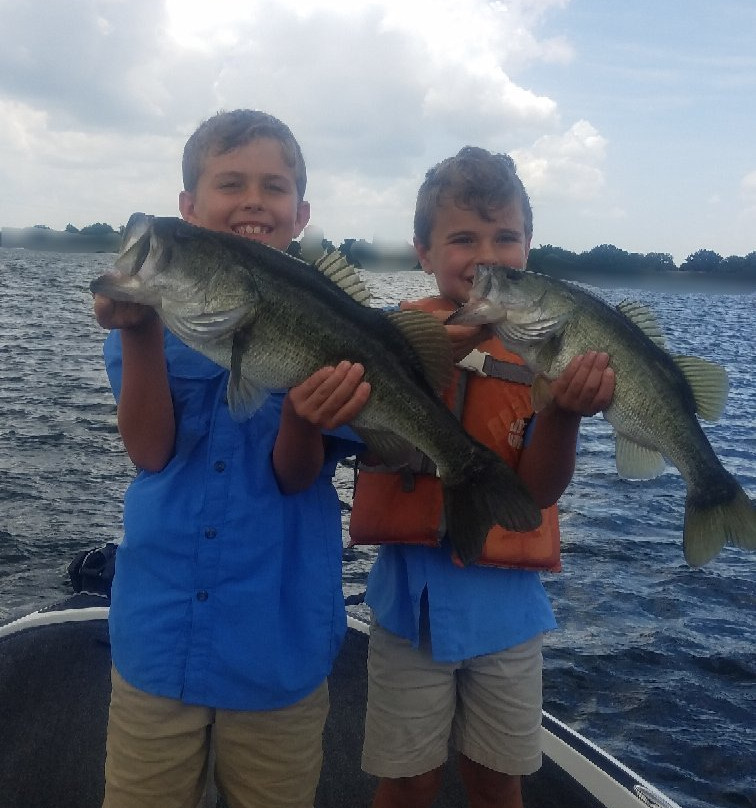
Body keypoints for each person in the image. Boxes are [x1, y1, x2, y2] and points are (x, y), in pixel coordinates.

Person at [93, 109, 370, 808]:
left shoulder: (329, 323)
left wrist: (306, 417)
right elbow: (151, 453)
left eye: (273, 187)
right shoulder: (145, 322)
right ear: (189, 208)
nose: (253, 200)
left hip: (275, 643)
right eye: (230, 184)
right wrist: (142, 335)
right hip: (159, 635)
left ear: (300, 213)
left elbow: (295, 476)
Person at [353, 146, 615, 808]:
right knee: (407, 781)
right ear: (424, 251)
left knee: (499, 782)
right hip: (410, 611)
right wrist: (463, 337)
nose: (487, 255)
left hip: (509, 616)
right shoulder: (394, 336)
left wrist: (566, 414)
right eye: (463, 238)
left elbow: (539, 493)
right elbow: (376, 421)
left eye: (506, 237)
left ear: (530, 245)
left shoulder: (544, 349)